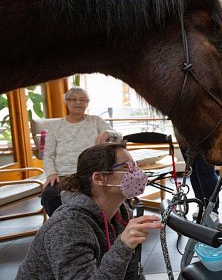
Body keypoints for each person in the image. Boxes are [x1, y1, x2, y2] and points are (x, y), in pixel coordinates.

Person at [17, 142, 163, 279]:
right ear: (99, 178)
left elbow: (131, 274)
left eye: (135, 166)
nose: (137, 173)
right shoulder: (67, 226)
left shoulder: (122, 214)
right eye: (126, 167)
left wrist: (126, 248)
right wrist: (123, 246)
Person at [42, 86, 122, 216]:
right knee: (49, 195)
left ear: (87, 103)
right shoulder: (56, 126)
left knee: (112, 190)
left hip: (92, 173)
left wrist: (108, 132)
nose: (78, 103)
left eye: (82, 100)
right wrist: (51, 173)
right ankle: (62, 224)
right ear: (66, 102)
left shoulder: (96, 121)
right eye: (73, 99)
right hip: (64, 174)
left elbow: (119, 136)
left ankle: (100, 223)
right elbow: (48, 154)